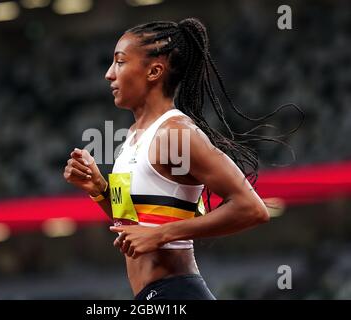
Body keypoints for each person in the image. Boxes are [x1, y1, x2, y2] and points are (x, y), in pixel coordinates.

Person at [63, 18, 290, 300]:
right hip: (150, 296)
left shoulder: (176, 133)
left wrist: (162, 234)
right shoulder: (131, 139)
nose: (109, 74)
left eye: (120, 62)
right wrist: (99, 189)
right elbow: (132, 228)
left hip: (177, 291)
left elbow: (253, 208)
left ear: (154, 71)